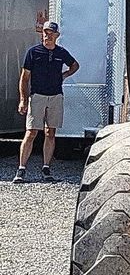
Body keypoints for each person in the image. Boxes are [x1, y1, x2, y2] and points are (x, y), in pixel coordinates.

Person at [13, 21, 79, 183]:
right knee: (31, 132)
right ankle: (21, 169)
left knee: (50, 132)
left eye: (51, 33)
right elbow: (24, 78)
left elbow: (75, 65)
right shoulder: (33, 52)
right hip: (37, 96)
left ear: (57, 36)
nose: (47, 36)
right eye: (45, 32)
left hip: (56, 96)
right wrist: (23, 99)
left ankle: (46, 167)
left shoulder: (61, 52)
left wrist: (64, 75)